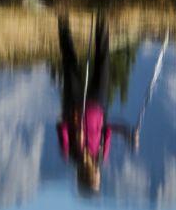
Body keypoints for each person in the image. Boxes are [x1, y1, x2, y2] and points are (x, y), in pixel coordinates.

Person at [56, 13, 137, 195]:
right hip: (99, 102)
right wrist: (126, 133)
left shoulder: (70, 154)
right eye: (99, 179)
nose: (99, 175)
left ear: (87, 177)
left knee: (69, 60)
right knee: (103, 59)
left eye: (96, 179)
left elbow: (61, 126)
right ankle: (102, 15)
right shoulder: (101, 155)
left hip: (75, 102)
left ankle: (62, 17)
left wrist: (74, 128)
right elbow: (107, 130)